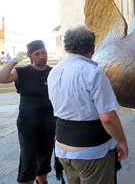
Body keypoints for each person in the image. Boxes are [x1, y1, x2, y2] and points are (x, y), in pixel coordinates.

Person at [47, 25, 128, 184]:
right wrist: (122, 141)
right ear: (92, 48)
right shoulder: (93, 73)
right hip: (90, 151)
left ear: (67, 46)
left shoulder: (54, 71)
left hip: (62, 147)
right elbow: (108, 118)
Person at [0, 40, 56, 184]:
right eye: (37, 54)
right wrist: (14, 61)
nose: (41, 56)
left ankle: (42, 181)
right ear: (30, 56)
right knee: (28, 159)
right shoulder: (22, 72)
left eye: (43, 52)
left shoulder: (53, 72)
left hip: (49, 122)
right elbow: (1, 77)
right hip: (27, 123)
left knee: (45, 158)